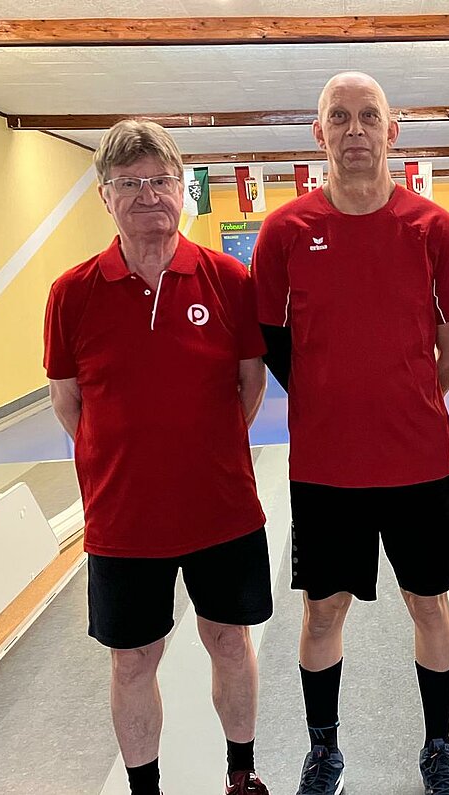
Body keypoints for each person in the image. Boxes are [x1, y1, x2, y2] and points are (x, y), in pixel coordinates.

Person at [250, 72, 449, 795]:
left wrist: (405, 396)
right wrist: (329, 398)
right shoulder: (284, 230)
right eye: (340, 117)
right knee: (323, 612)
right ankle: (324, 750)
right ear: (318, 133)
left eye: (368, 116)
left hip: (418, 464)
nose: (355, 130)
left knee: (429, 604)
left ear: (391, 131)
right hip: (326, 469)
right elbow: (272, 338)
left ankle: (438, 746)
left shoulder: (433, 228)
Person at [44, 120, 273, 795]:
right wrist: (125, 456)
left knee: (229, 641)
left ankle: (241, 772)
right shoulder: (72, 292)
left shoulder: (229, 279)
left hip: (221, 509)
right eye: (129, 183)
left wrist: (202, 448)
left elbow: (249, 384)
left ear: (183, 190)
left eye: (161, 180)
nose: (148, 195)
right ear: (105, 196)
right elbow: (68, 400)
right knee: (133, 658)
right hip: (123, 519)